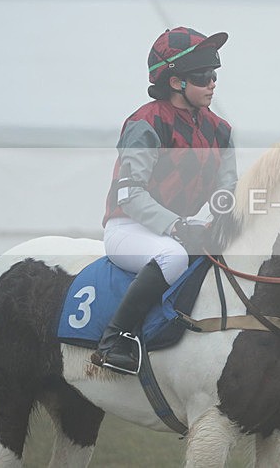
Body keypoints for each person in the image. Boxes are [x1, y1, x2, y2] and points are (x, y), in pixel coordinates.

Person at [91, 26, 238, 375]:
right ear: (176, 82)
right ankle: (115, 338)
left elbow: (226, 191)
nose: (212, 83)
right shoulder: (145, 122)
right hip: (129, 228)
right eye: (203, 76)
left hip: (176, 228)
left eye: (214, 75)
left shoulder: (220, 130)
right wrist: (176, 226)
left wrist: (220, 221)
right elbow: (130, 194)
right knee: (172, 256)